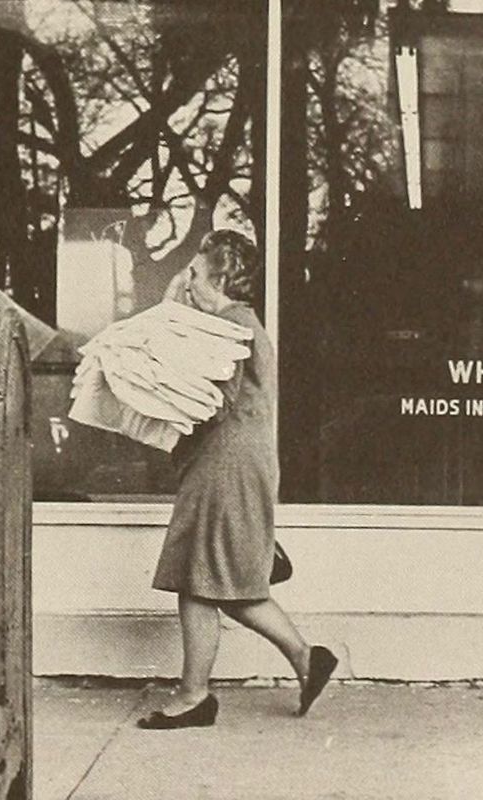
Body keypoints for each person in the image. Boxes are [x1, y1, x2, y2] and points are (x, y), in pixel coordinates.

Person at [137, 230, 337, 729]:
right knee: (223, 579)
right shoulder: (238, 324)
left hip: (225, 464)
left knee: (201, 578)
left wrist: (167, 315)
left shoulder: (229, 328)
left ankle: (194, 695)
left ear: (222, 277)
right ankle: (306, 659)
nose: (188, 282)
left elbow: (207, 402)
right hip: (234, 462)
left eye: (197, 274)